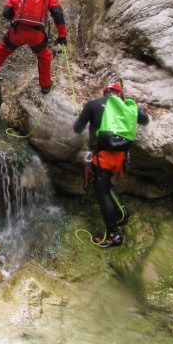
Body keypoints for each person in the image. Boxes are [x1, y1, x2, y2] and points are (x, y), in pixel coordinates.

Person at [73, 83, 149, 248]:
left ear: (105, 93)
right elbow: (145, 120)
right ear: (119, 95)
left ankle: (114, 235)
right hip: (121, 157)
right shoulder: (128, 108)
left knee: (102, 193)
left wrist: (86, 119)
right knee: (106, 184)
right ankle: (121, 212)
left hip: (102, 157)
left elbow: (77, 129)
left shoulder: (93, 104)